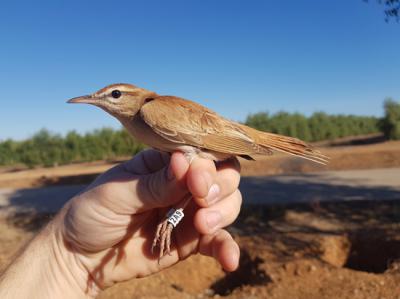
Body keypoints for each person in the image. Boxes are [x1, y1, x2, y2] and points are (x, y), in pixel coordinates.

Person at [0, 149, 242, 298]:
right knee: (190, 183)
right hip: (86, 256)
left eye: (115, 95)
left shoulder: (151, 111)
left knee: (191, 182)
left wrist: (66, 255)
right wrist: (66, 254)